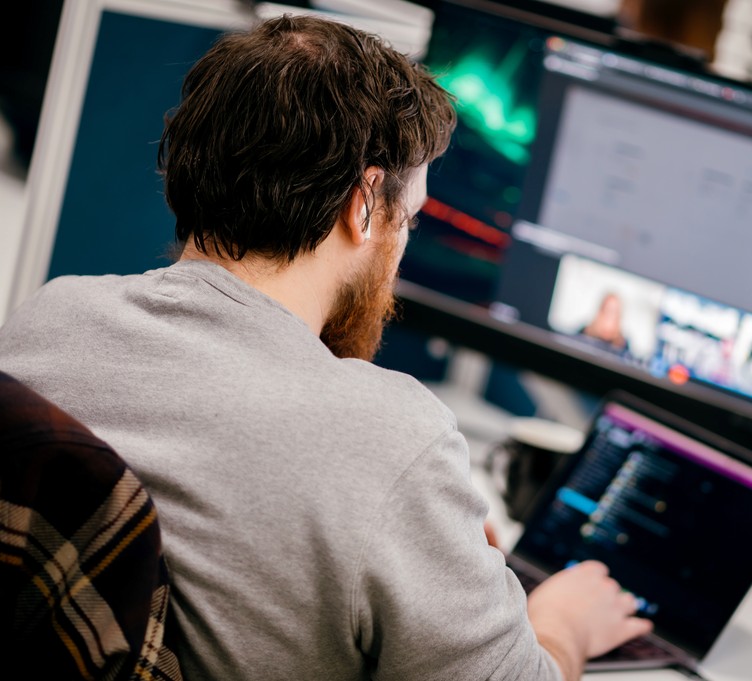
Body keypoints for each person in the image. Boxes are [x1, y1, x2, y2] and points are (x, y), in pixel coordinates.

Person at [0, 15, 651, 681]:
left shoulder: (50, 318)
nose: (400, 250)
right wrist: (560, 624)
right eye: (410, 219)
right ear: (365, 204)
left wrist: (423, 540)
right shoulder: (392, 438)